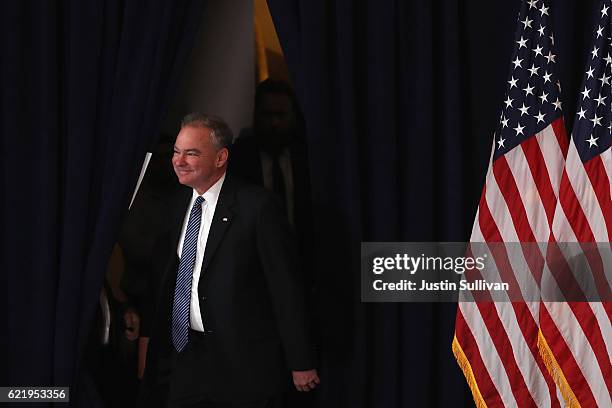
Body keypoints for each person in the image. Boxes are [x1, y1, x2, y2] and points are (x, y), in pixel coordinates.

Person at [139, 113, 319, 408]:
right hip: (186, 358)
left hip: (242, 364)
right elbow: (165, 278)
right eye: (176, 151)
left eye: (191, 153)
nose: (178, 161)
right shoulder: (177, 204)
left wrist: (301, 361)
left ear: (221, 157)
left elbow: (286, 290)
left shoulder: (257, 208)